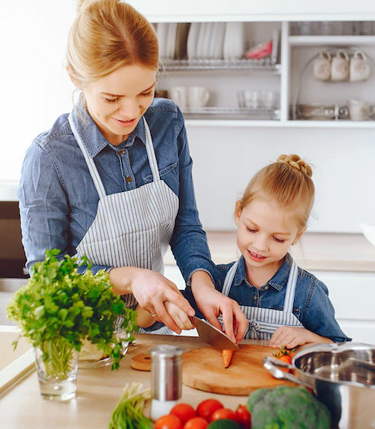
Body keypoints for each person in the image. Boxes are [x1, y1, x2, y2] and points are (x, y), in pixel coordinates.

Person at [17, 0, 247, 341]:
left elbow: (186, 226)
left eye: (145, 93)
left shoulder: (167, 123)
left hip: (153, 332)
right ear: (76, 78)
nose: (130, 111)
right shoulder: (49, 157)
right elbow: (47, 275)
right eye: (112, 98)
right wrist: (132, 278)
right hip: (83, 345)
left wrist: (203, 287)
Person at [214, 154, 350, 348]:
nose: (260, 245)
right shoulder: (215, 280)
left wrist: (307, 336)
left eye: (277, 238)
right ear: (238, 213)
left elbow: (339, 347)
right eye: (252, 229)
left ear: (297, 236)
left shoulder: (308, 292)